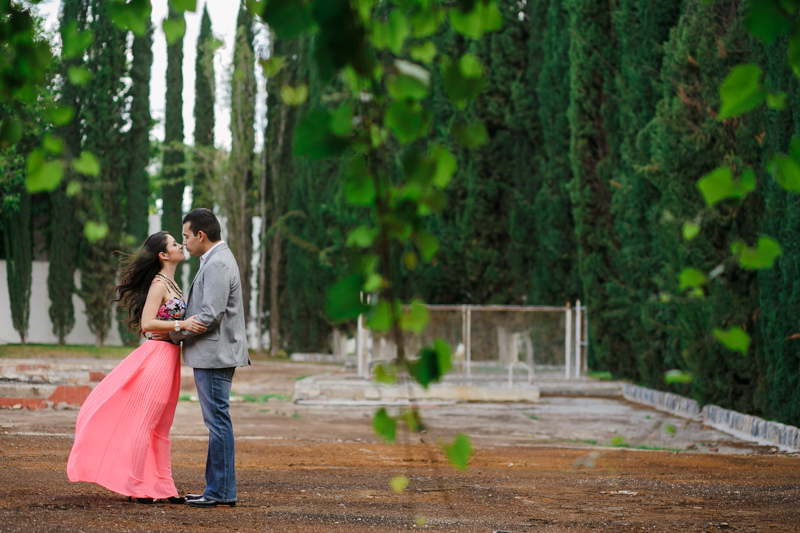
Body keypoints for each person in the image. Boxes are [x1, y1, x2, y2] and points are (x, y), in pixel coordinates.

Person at [67, 231, 207, 504]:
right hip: (157, 357)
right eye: (175, 244)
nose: (181, 246)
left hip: (171, 359)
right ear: (163, 255)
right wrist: (182, 324)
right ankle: (135, 486)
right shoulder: (159, 285)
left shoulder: (173, 283)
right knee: (145, 424)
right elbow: (148, 324)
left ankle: (164, 488)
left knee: (162, 428)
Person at [160, 208, 250, 508]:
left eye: (185, 236)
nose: (184, 242)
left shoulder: (218, 263)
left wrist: (175, 333)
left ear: (200, 235)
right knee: (217, 422)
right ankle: (217, 488)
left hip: (215, 354)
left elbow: (211, 314)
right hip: (215, 353)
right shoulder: (215, 259)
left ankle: (221, 491)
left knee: (218, 423)